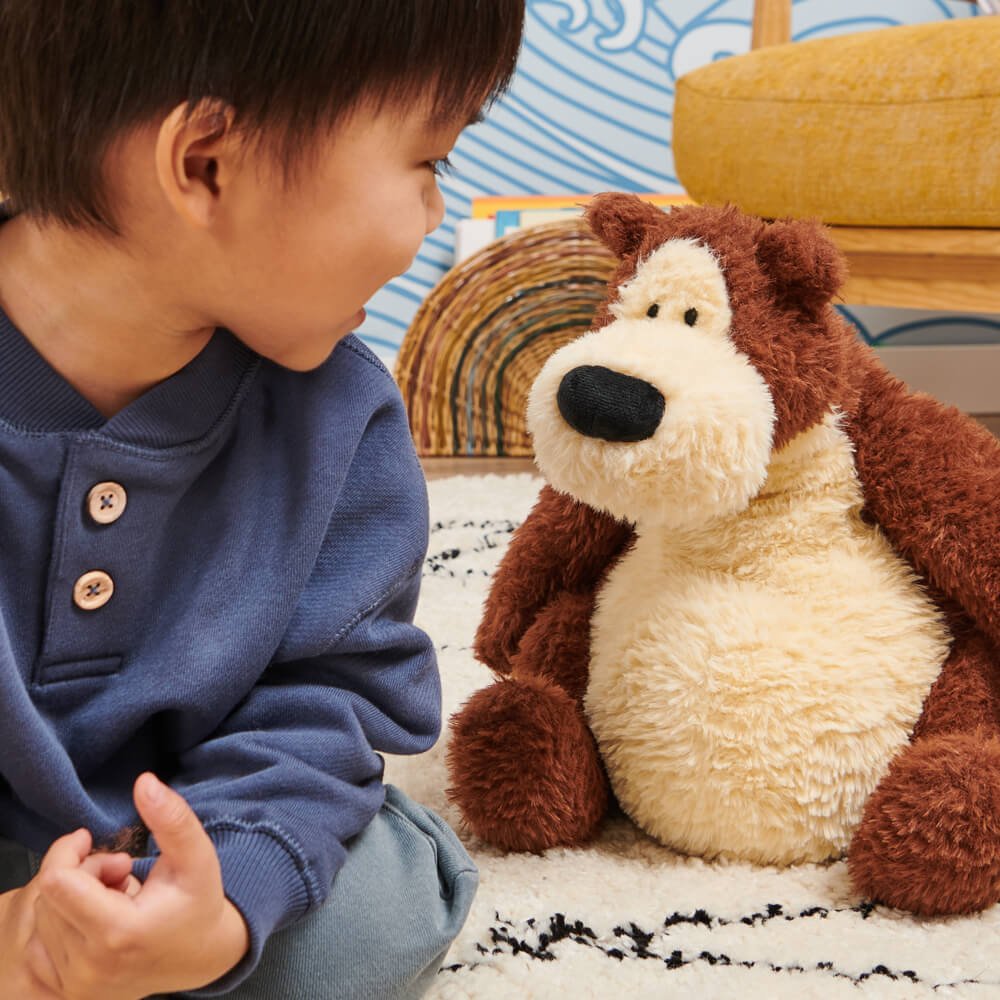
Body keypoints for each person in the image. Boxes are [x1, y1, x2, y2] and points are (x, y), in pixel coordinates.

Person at [0, 1, 524, 996]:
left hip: (206, 809)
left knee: (372, 909)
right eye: (429, 162)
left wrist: (220, 901)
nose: (431, 215)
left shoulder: (340, 421)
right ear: (205, 163)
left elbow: (323, 701)